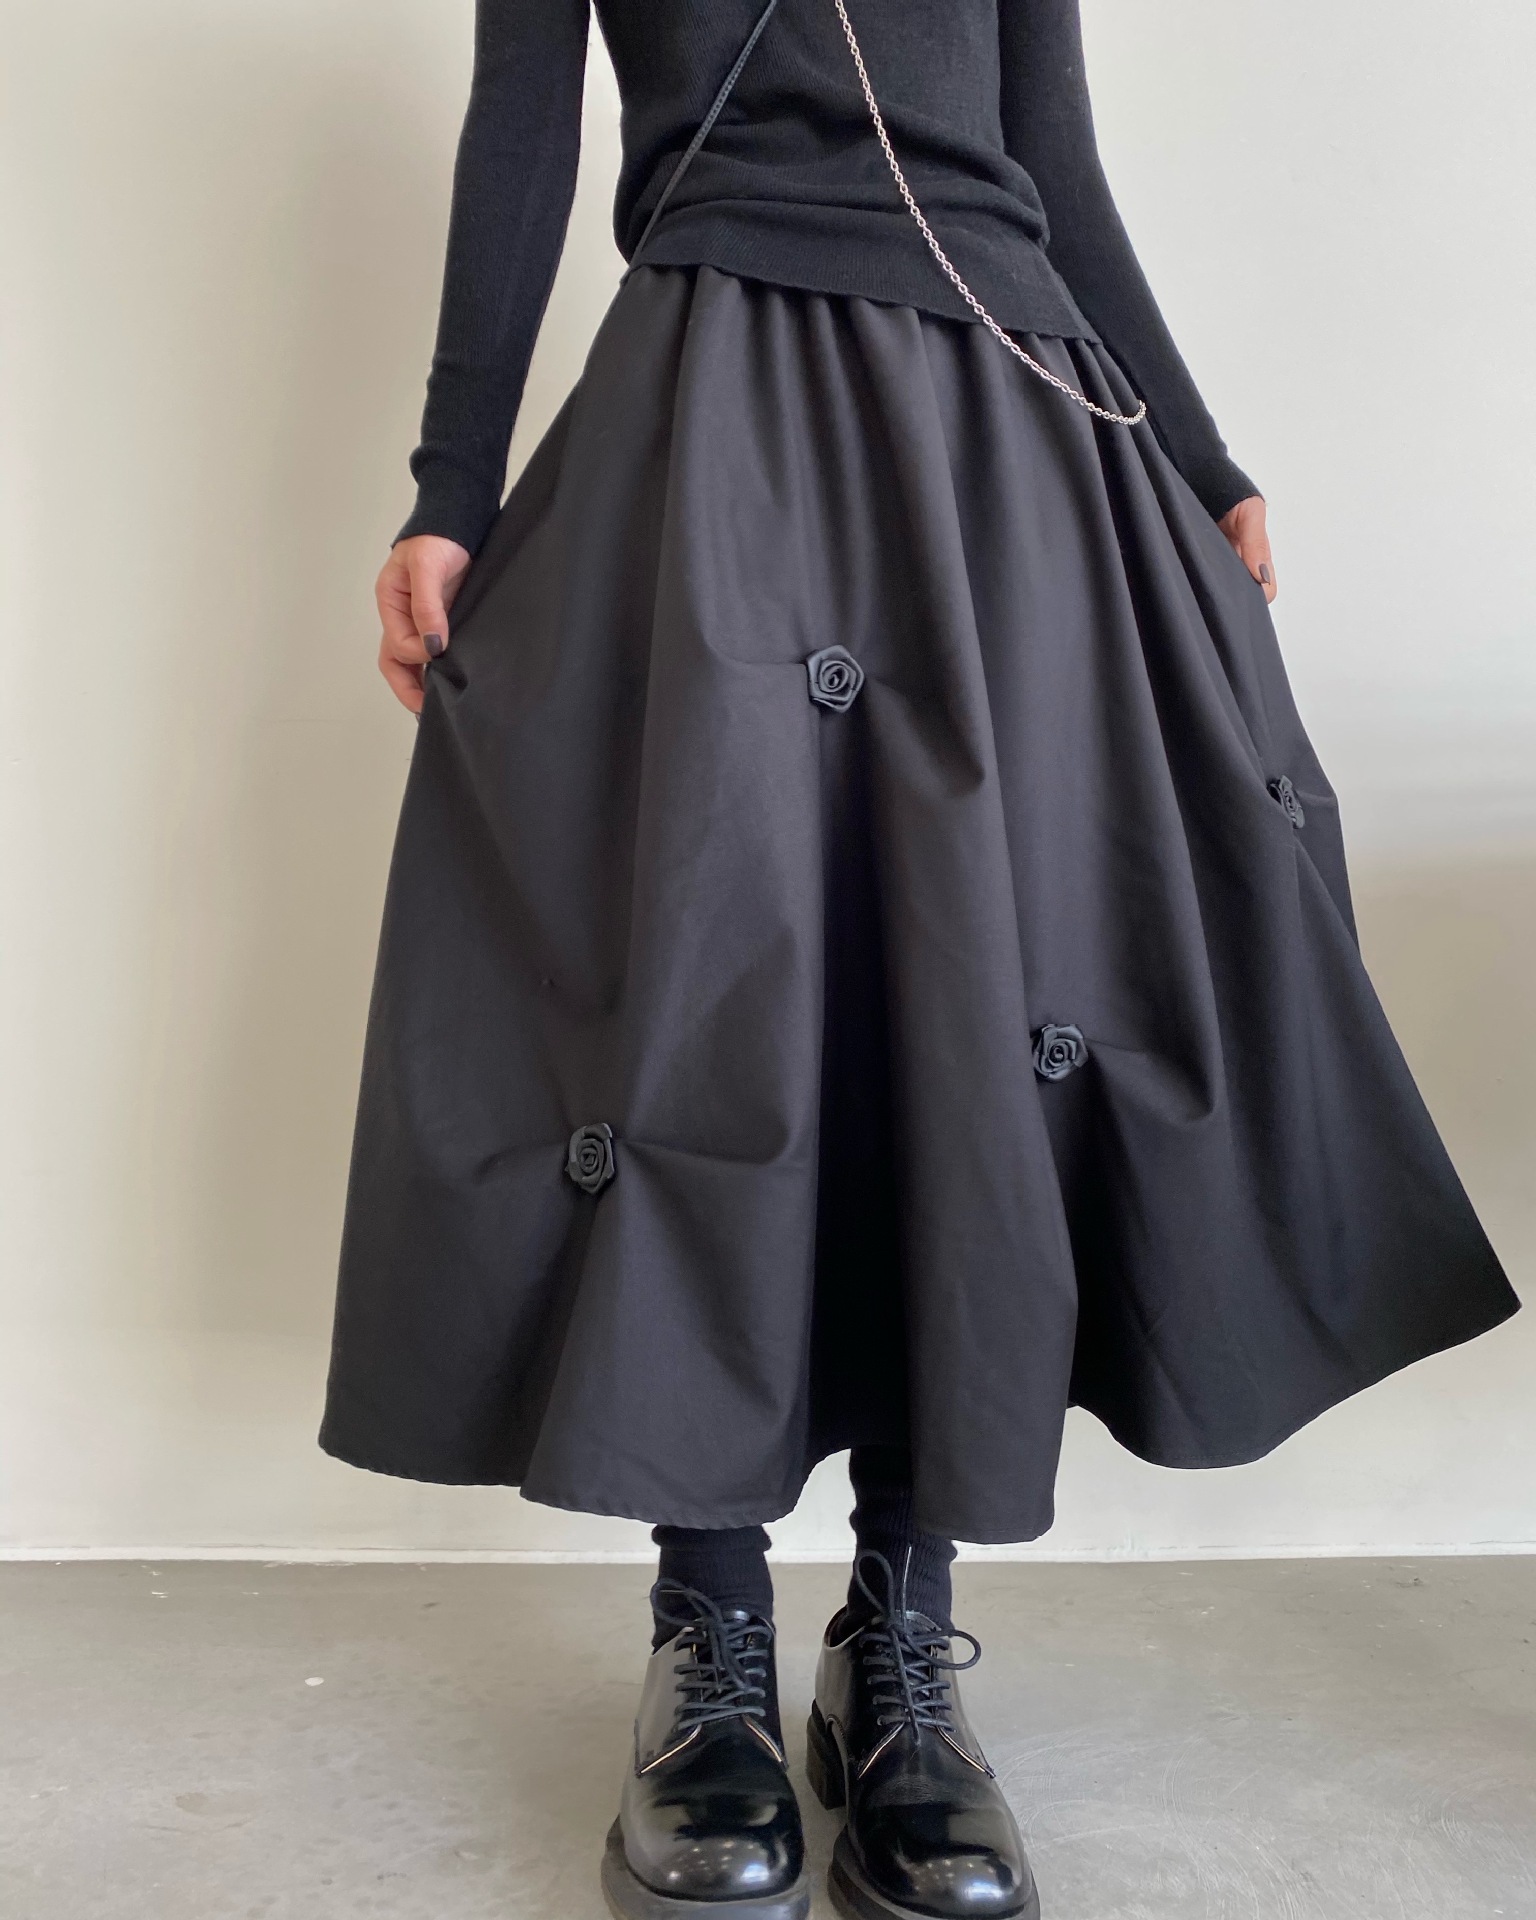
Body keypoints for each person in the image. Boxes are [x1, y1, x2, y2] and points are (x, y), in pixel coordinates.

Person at [320, 3, 1519, 1916]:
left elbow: (1053, 163)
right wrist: (451, 485)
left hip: (1005, 426)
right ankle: (707, 1641)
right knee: (711, 1001)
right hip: (715, 404)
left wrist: (1198, 457)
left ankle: (900, 1646)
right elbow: (520, 126)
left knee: (973, 1005)